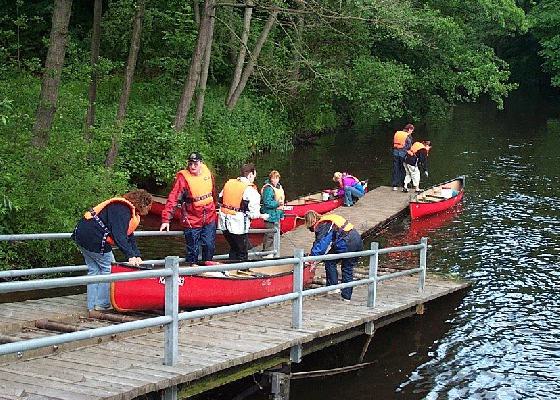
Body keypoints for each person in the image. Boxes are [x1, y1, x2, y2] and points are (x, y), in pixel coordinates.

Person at [72, 189, 153, 311]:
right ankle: (102, 304)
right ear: (143, 204)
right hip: (95, 238)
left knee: (94, 270)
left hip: (81, 235)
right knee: (108, 269)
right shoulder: (122, 210)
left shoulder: (122, 208)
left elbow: (129, 236)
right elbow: (119, 235)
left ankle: (91, 305)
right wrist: (130, 256)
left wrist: (136, 254)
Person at [160, 152, 217, 265]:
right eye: (190, 164)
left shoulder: (207, 173)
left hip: (209, 216)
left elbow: (213, 191)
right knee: (193, 249)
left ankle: (207, 268)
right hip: (192, 218)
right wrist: (166, 219)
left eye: (195, 164)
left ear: (201, 163)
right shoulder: (183, 178)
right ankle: (192, 269)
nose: (192, 167)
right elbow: (173, 197)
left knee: (209, 245)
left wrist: (216, 205)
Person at [304, 211, 363, 301]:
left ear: (312, 222)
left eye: (310, 228)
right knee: (347, 268)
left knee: (330, 260)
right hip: (357, 240)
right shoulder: (329, 219)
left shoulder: (323, 224)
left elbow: (322, 244)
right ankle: (346, 297)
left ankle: (333, 287)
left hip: (346, 242)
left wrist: (311, 258)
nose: (312, 230)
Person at [218, 163, 269, 261]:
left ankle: (232, 269)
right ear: (251, 174)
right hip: (238, 225)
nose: (254, 178)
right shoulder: (250, 191)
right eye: (254, 175)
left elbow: (220, 200)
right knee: (242, 251)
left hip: (223, 223)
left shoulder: (229, 184)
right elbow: (254, 214)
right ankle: (242, 270)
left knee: (233, 248)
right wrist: (263, 216)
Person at [260, 170, 285, 257]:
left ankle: (272, 251)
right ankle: (266, 252)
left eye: (277, 178)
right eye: (274, 178)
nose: (276, 180)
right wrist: (278, 203)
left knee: (273, 234)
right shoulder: (268, 189)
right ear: (271, 179)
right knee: (269, 234)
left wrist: (281, 213)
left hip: (276, 214)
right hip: (269, 214)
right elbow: (267, 202)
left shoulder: (278, 187)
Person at [392, 123, 414, 191]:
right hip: (403, 154)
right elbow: (409, 146)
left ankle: (395, 185)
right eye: (412, 130)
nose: (412, 132)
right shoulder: (408, 136)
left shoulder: (398, 133)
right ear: (409, 129)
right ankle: (403, 185)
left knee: (396, 169)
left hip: (395, 153)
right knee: (403, 169)